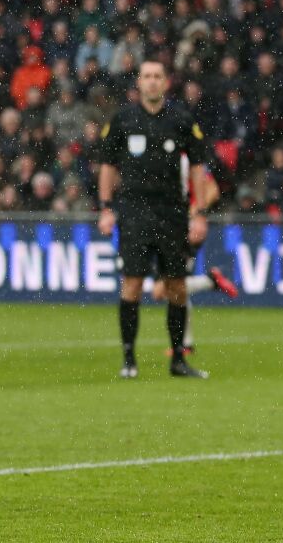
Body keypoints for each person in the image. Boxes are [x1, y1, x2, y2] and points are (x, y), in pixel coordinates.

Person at [96, 60, 223, 379]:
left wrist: (199, 212)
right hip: (134, 212)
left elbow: (197, 168)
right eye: (147, 77)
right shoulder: (123, 120)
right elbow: (108, 166)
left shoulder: (181, 120)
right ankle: (129, 359)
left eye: (158, 77)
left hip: (172, 213)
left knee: (176, 287)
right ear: (139, 82)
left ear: (166, 83)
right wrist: (107, 207)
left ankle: (178, 359)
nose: (152, 82)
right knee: (133, 284)